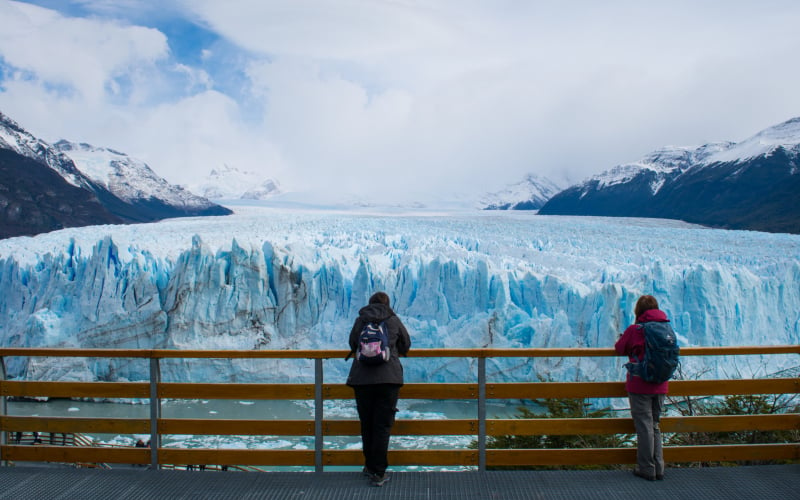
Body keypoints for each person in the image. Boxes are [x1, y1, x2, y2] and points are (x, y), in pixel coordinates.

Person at [346, 292, 411, 487]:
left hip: (362, 379)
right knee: (382, 426)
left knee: (367, 424)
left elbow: (352, 343)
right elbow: (406, 344)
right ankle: (378, 472)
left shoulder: (361, 319)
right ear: (388, 304)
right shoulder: (393, 320)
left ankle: (369, 466)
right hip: (388, 379)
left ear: (370, 303)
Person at [615, 294, 670, 481]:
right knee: (654, 425)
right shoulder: (666, 327)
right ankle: (659, 467)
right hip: (661, 384)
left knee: (644, 426)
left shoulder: (635, 329)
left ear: (638, 311)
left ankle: (647, 468)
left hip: (639, 384)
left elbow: (619, 348)